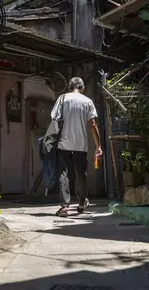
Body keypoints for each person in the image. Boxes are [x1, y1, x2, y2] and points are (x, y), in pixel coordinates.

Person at [51, 77, 102, 217]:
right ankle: (81, 203)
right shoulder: (87, 101)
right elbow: (92, 124)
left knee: (63, 173)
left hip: (63, 143)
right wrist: (98, 146)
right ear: (82, 88)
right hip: (81, 144)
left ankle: (64, 206)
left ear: (69, 87)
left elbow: (55, 119)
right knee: (81, 174)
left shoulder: (62, 99)